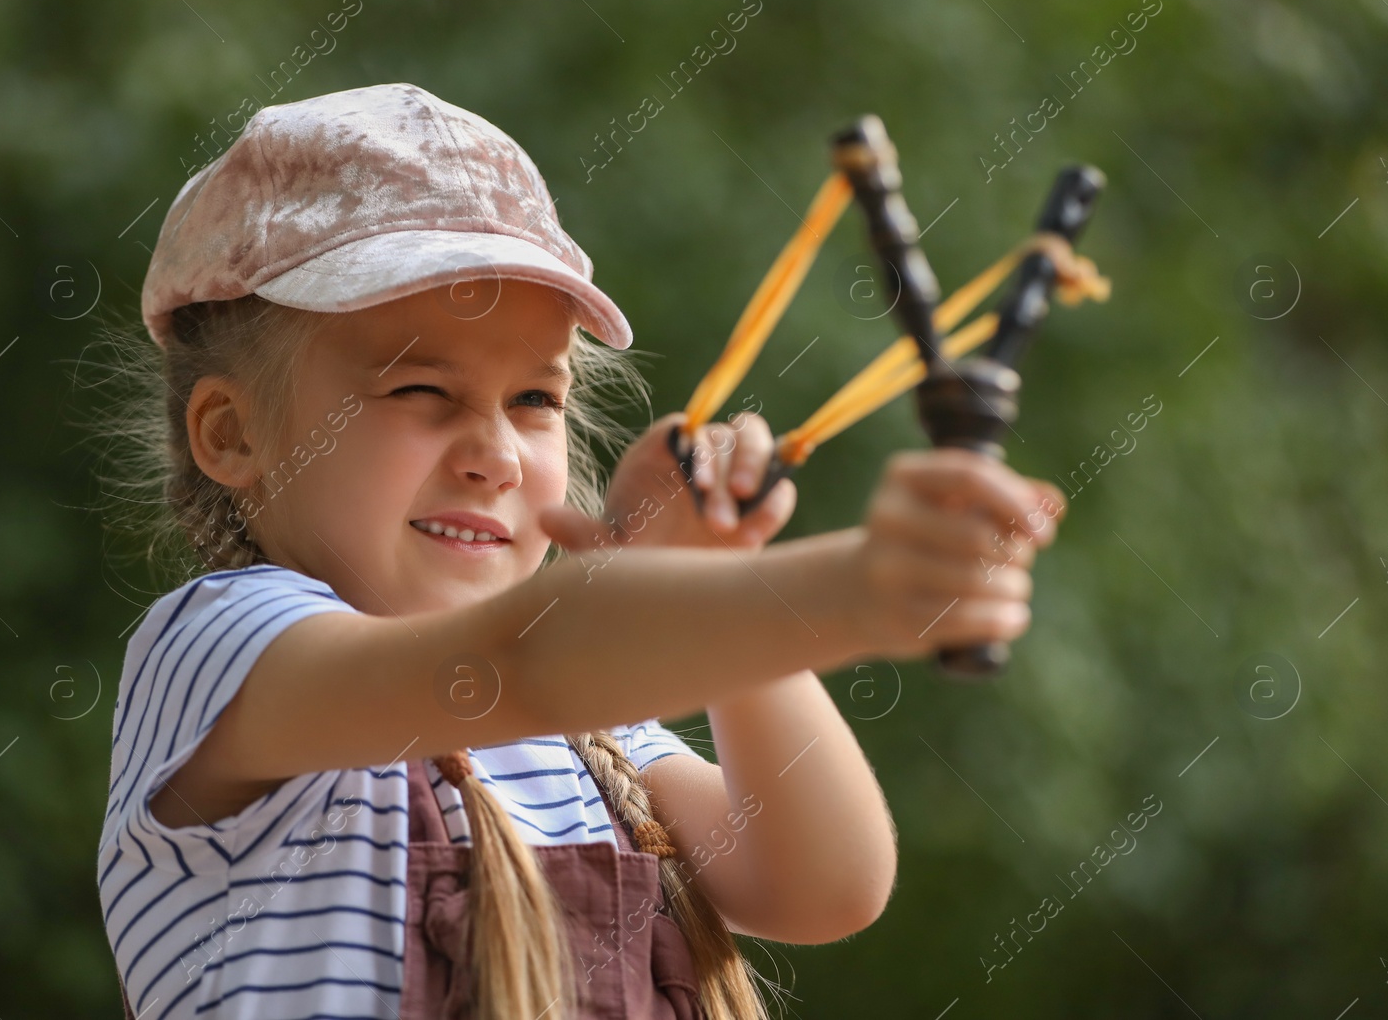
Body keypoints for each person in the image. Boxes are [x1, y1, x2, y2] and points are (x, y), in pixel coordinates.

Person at [95, 82, 1065, 1020]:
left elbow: (827, 883)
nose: (494, 454)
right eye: (419, 391)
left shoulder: (598, 749)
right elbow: (519, 662)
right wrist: (856, 590)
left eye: (534, 401)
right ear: (230, 433)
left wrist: (711, 578)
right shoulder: (223, 648)